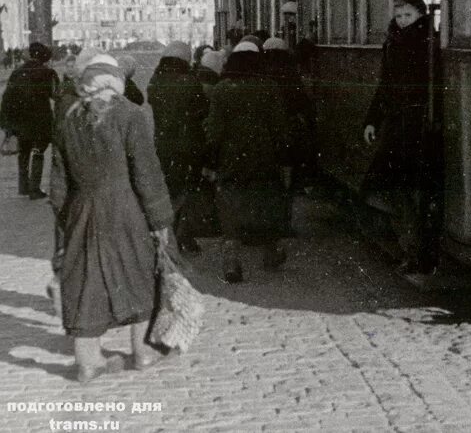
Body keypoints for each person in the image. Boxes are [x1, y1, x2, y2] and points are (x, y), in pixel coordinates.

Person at [49, 53, 175, 382]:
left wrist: (65, 224)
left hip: (81, 208)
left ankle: (88, 362)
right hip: (125, 208)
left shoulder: (66, 118)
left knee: (84, 281)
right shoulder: (131, 115)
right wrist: (161, 219)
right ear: (117, 81)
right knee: (139, 272)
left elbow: (59, 181)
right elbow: (147, 174)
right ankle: (144, 352)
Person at [360, 0, 441, 272]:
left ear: (420, 15)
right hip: (399, 126)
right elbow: (386, 86)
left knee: (410, 191)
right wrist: (373, 120)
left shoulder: (428, 41)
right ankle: (412, 250)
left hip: (419, 127)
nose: (403, 20)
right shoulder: (394, 42)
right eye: (398, 16)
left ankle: (416, 253)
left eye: (408, 15)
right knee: (397, 189)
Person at [204, 40, 292, 283]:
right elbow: (280, 128)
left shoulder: (222, 89)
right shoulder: (269, 87)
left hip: (230, 159)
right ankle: (272, 253)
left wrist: (211, 162)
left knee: (230, 206)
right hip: (264, 158)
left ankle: (232, 259)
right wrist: (284, 159)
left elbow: (214, 131)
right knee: (267, 204)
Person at [147, 41, 209, 255]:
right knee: (188, 190)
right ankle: (182, 235)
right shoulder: (190, 81)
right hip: (188, 142)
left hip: (164, 143)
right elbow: (202, 109)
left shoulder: (156, 80)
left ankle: (167, 235)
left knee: (169, 189)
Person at [0, 42, 59, 199]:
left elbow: (7, 98)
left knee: (24, 152)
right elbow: (56, 95)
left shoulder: (17, 72)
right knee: (38, 151)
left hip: (20, 121)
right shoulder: (48, 73)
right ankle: (35, 188)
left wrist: (6, 124)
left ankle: (23, 186)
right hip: (40, 120)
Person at [262, 36, 316, 191]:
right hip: (289, 120)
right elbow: (300, 99)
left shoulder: (263, 71)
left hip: (269, 124)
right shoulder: (290, 72)